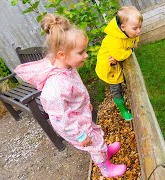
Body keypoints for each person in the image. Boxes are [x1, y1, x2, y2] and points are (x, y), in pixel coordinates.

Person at [14, 13, 126, 178]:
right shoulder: (55, 89)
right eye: (81, 52)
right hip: (74, 126)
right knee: (93, 143)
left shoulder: (65, 65)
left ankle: (105, 151)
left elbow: (74, 91)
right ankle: (105, 167)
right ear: (61, 54)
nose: (86, 55)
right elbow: (60, 118)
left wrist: (84, 103)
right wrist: (80, 135)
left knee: (96, 135)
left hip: (78, 113)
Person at [95, 6, 143, 121]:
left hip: (116, 64)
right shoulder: (115, 39)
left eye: (140, 27)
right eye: (135, 28)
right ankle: (123, 109)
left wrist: (129, 49)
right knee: (116, 88)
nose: (139, 31)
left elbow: (134, 42)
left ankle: (129, 94)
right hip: (109, 67)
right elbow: (120, 55)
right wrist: (130, 50)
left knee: (126, 79)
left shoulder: (128, 32)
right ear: (123, 27)